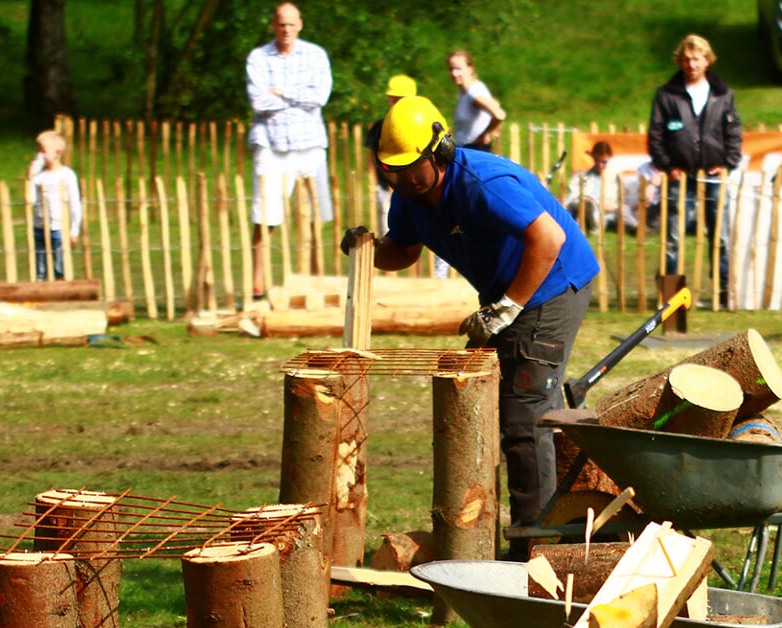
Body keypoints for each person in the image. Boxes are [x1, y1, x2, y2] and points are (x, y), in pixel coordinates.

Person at [342, 96, 597, 549]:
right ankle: (479, 542)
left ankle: (534, 551)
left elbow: (549, 238)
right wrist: (367, 247)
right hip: (508, 294)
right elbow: (402, 251)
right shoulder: (409, 199)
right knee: (478, 407)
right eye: (391, 169)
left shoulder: (483, 183)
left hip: (553, 283)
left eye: (409, 167)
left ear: (438, 152)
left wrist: (506, 308)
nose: (399, 178)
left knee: (525, 418)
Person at [246, 1, 333, 301]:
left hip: (309, 143)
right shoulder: (258, 57)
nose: (286, 29)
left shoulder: (316, 55)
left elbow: (319, 97)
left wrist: (281, 93)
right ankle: (258, 284)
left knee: (312, 216)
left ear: (300, 24)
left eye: (291, 24)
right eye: (281, 24)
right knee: (265, 216)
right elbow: (258, 101)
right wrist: (297, 98)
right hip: (271, 143)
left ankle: (313, 281)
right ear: (273, 24)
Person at [648, 34, 742, 307]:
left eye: (697, 58)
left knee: (719, 235)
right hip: (680, 174)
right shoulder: (667, 94)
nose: (691, 64)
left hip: (712, 174)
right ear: (680, 61)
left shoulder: (723, 94)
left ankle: (723, 293)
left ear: (707, 60)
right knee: (673, 236)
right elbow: (656, 134)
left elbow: (733, 132)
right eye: (687, 59)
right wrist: (668, 165)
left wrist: (727, 162)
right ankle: (671, 296)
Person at [26, 130, 82, 282]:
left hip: (58, 228)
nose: (40, 156)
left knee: (59, 265)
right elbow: (30, 201)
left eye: (43, 151)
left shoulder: (67, 175)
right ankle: (40, 287)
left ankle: (61, 286)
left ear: (58, 153)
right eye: (39, 151)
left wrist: (74, 229)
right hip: (39, 226)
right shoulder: (39, 177)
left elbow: (75, 203)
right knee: (40, 265)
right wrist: (30, 178)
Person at [366, 75, 418, 229]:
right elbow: (371, 157)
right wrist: (374, 183)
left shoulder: (419, 124)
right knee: (388, 230)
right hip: (386, 188)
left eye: (401, 99)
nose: (397, 103)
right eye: (394, 98)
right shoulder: (380, 127)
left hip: (416, 189)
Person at [448, 50, 505, 153]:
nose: (454, 73)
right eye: (451, 69)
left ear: (470, 69)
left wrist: (486, 134)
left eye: (458, 69)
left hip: (475, 151)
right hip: (465, 149)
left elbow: (499, 114)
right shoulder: (463, 92)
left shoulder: (473, 92)